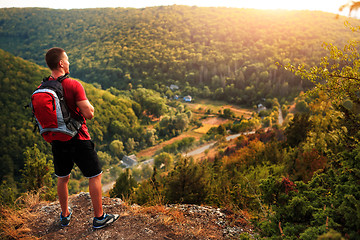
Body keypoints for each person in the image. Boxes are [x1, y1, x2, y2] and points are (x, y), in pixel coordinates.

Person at [44, 47, 119, 228]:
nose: (69, 63)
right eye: (67, 60)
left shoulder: (43, 87)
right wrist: (91, 107)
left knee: (62, 178)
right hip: (79, 138)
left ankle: (64, 215)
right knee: (95, 176)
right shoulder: (73, 84)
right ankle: (99, 218)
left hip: (57, 139)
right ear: (61, 63)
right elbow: (89, 113)